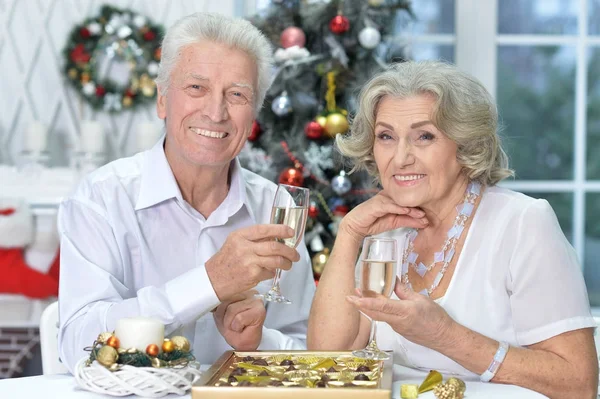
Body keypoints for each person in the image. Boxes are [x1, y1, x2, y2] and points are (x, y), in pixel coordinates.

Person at [308, 61, 598, 398]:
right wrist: (349, 235)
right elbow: (328, 358)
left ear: (465, 145)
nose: (400, 158)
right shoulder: (384, 233)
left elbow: (579, 384)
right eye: (386, 136)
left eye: (424, 136)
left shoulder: (523, 223)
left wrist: (445, 335)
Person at [58, 12, 316, 373]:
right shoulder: (100, 198)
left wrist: (257, 343)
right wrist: (208, 283)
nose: (216, 112)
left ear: (253, 116)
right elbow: (76, 347)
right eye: (196, 88)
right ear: (163, 100)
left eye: (237, 95)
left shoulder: (276, 208)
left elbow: (306, 352)